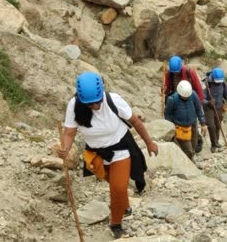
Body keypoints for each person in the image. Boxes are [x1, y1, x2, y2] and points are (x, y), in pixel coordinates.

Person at [58, 72, 158, 239]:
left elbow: (135, 122)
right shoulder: (74, 106)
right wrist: (65, 149)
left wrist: (149, 143)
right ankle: (125, 206)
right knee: (113, 183)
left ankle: (116, 223)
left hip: (120, 149)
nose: (95, 106)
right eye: (90, 104)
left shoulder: (114, 101)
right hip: (96, 154)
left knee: (117, 188)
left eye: (98, 101)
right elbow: (69, 132)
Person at [164, 56, 204, 153]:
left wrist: (198, 105)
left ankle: (194, 146)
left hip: (190, 99)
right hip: (176, 101)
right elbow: (168, 87)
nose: (175, 73)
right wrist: (165, 92)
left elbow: (198, 90)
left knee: (192, 126)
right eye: (174, 72)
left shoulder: (189, 73)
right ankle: (182, 148)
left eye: (177, 71)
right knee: (179, 126)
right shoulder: (170, 74)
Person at [165, 80, 207, 161]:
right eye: (184, 97)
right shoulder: (172, 99)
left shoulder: (193, 95)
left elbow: (199, 109)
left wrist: (203, 124)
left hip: (192, 124)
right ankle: (189, 161)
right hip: (180, 127)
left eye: (187, 96)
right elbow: (167, 114)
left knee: (194, 143)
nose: (186, 98)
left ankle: (191, 156)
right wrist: (171, 127)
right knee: (188, 148)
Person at [203, 67, 227, 153]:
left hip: (219, 107)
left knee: (217, 125)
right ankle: (214, 144)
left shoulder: (223, 82)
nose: (218, 84)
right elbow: (201, 97)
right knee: (211, 125)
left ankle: (216, 142)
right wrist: (208, 102)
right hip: (208, 108)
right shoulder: (205, 83)